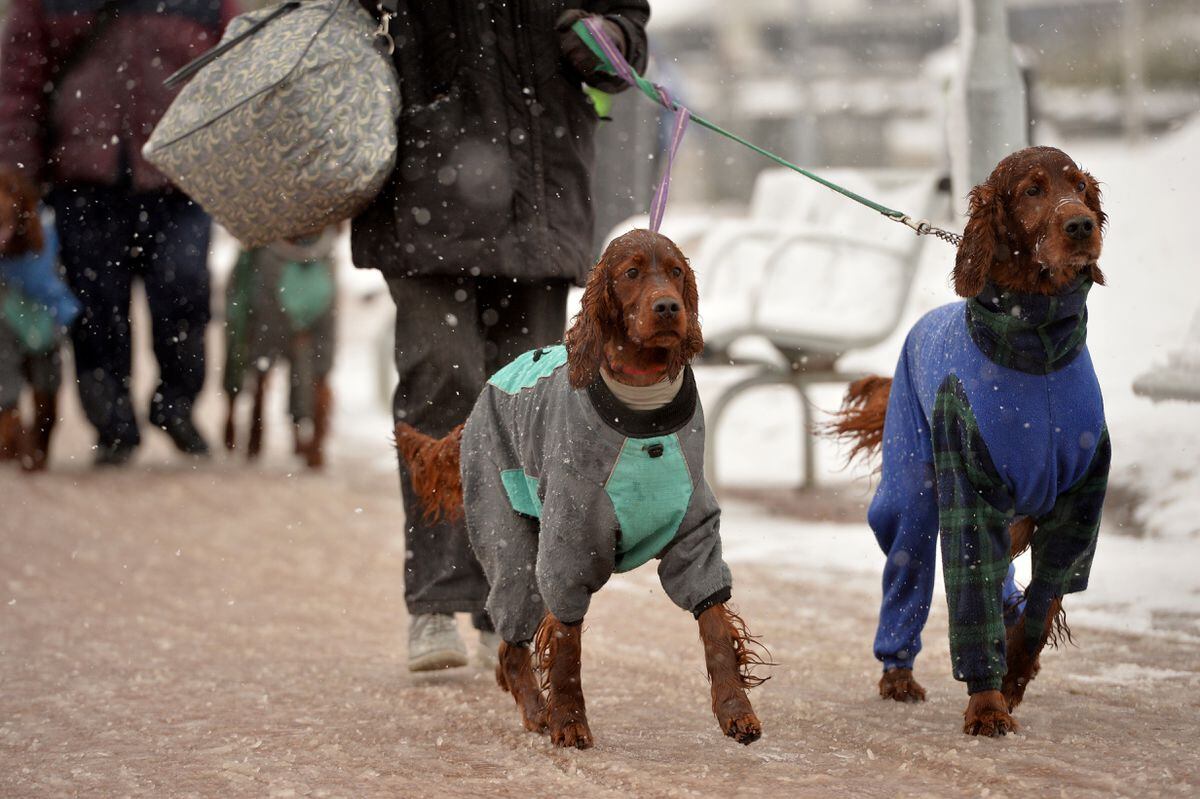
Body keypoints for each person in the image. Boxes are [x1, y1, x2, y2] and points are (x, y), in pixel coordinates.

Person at [352, 2, 650, 671]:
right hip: (419, 183)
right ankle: (434, 600)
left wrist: (608, 40)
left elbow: (628, 30)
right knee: (441, 376)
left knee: (526, 405)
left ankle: (505, 604)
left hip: (537, 192)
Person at [0, 0, 235, 465]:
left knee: (185, 287)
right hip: (83, 178)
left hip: (179, 174)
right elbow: (18, 86)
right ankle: (112, 424)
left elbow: (235, 69)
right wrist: (17, 177)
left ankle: (178, 404)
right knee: (95, 307)